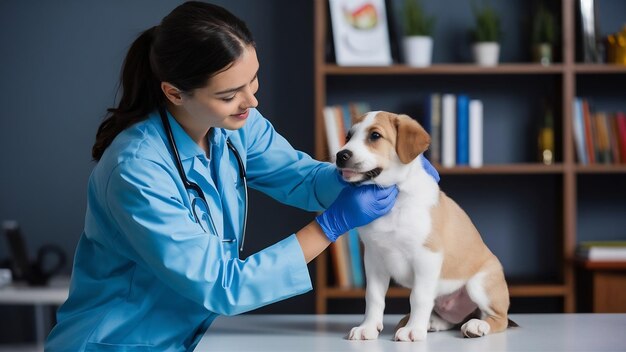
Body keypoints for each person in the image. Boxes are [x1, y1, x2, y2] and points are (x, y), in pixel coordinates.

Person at [45, 2, 438, 351]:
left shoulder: (236, 123)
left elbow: (298, 177)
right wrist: (330, 226)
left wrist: (365, 172)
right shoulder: (135, 169)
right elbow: (221, 284)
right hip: (117, 342)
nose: (252, 100)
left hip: (191, 335)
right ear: (175, 92)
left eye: (253, 80)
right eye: (230, 93)